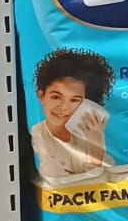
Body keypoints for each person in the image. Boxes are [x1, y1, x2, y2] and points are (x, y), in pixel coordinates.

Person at [30, 50, 112, 179]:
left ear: (86, 104)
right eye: (56, 97)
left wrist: (96, 147)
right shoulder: (36, 135)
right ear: (41, 96)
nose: (63, 107)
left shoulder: (92, 137)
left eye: (74, 100)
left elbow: (103, 178)